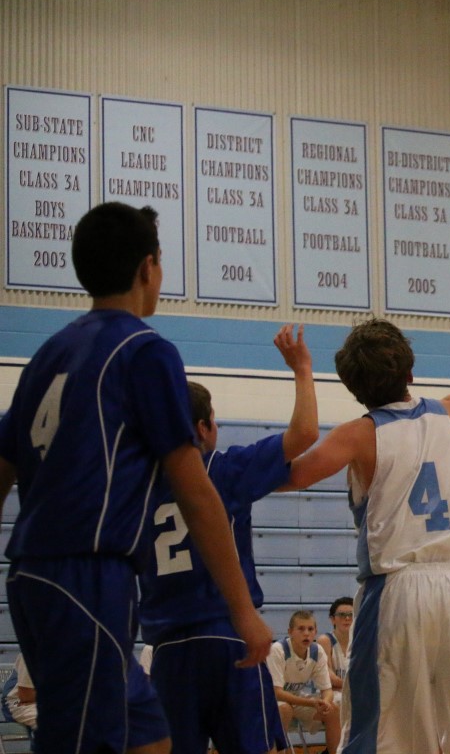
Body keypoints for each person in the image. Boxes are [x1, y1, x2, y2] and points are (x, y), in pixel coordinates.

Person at [0, 201, 271, 754]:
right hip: (88, 574)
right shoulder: (144, 351)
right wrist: (243, 610)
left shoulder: (48, 354)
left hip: (36, 574)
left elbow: (2, 469)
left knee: (150, 738)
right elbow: (195, 491)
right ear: (149, 267)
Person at [284, 316, 450, 754]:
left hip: (397, 588)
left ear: (354, 388)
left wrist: (302, 372)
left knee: (382, 734)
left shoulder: (358, 434)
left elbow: (292, 475)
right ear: (410, 373)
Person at [138, 322, 317, 754]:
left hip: (168, 648)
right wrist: (302, 369)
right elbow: (306, 434)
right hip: (228, 636)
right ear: (203, 428)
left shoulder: (138, 486)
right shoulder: (222, 468)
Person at [267, 611, 340, 754]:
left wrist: (325, 702)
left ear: (315, 632)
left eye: (310, 629)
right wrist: (311, 703)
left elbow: (327, 689)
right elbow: (276, 693)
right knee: (285, 709)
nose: (306, 633)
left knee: (332, 709)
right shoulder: (278, 650)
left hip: (296, 699)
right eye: (301, 629)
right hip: (271, 701)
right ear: (290, 632)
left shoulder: (317, 651)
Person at [318, 596, 354, 705]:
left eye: (351, 615)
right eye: (342, 615)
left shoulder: (361, 641)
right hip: (331, 693)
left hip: (351, 691)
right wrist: (355, 687)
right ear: (332, 619)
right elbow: (329, 678)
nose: (347, 618)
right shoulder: (325, 640)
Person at [1, 654, 36, 730]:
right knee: (49, 719)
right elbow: (26, 696)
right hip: (17, 700)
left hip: (39, 699)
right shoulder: (34, 652)